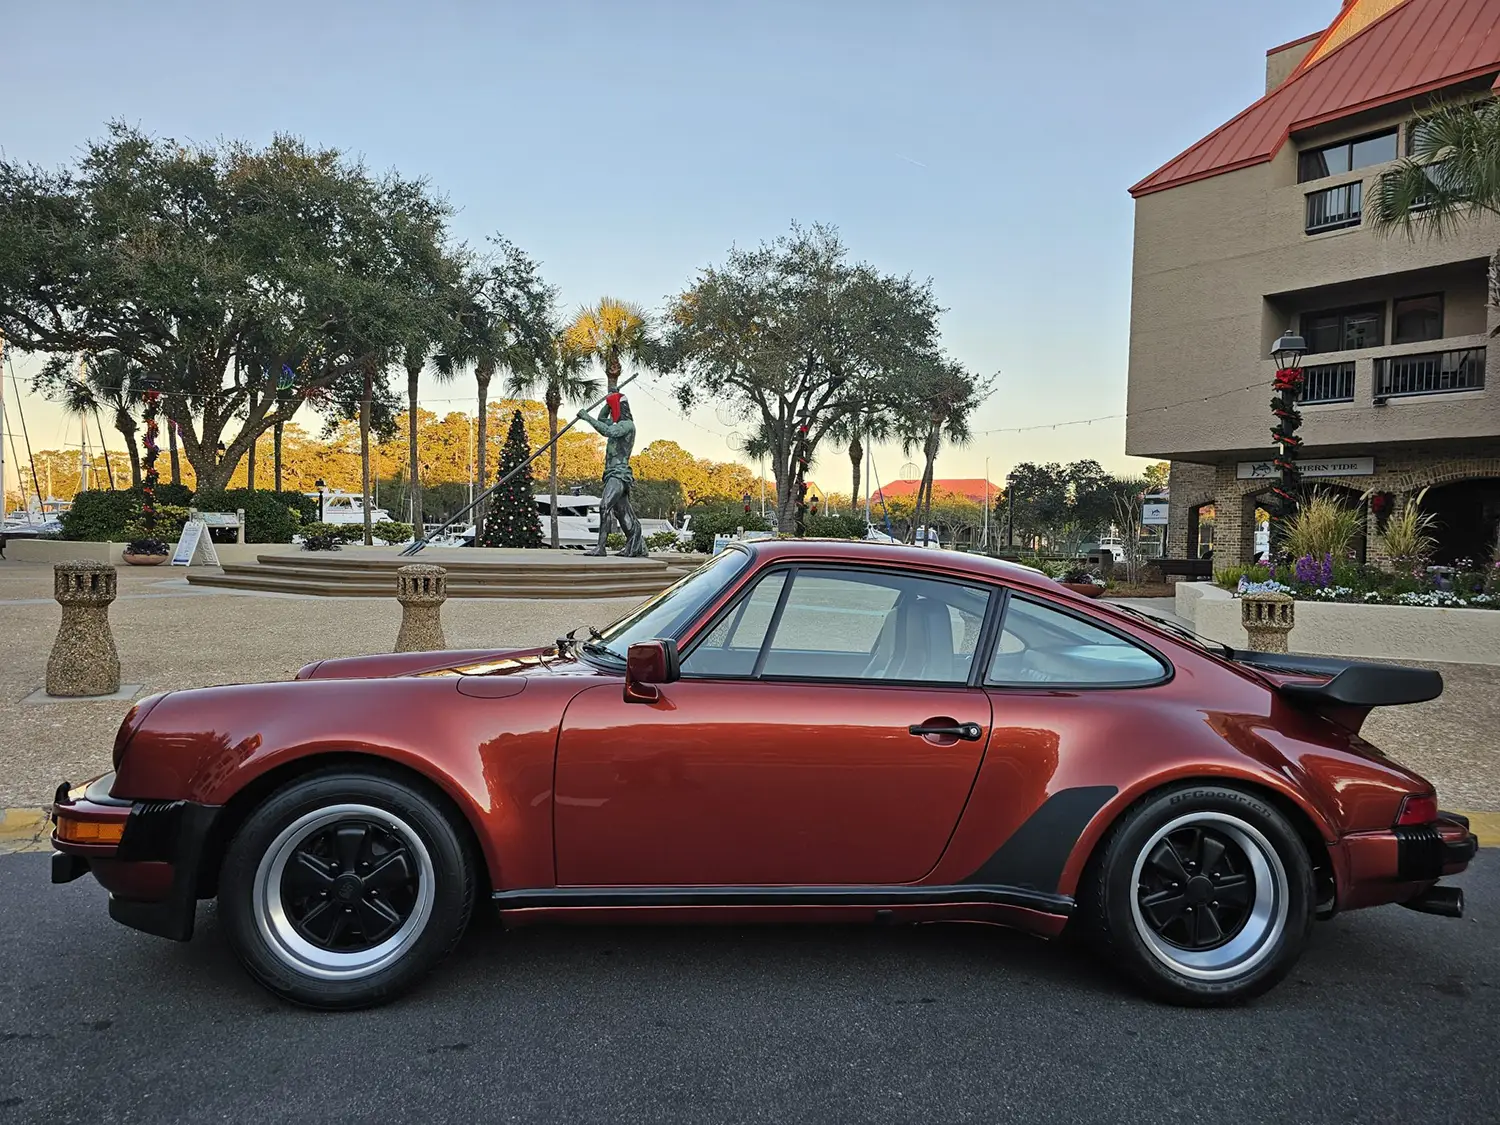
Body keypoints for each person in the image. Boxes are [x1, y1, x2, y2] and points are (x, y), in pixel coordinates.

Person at [576, 393, 645, 557]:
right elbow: (601, 418)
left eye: (614, 408)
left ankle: (600, 547)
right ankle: (635, 545)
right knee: (622, 512)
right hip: (612, 474)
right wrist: (609, 401)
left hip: (619, 474)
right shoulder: (618, 424)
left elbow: (606, 431)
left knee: (604, 506)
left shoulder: (627, 425)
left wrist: (586, 417)